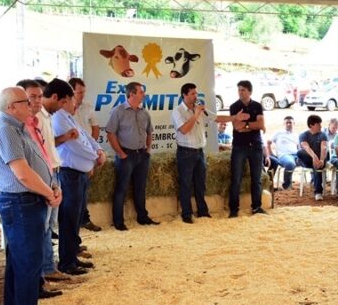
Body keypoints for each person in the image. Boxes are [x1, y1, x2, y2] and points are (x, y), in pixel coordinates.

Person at [0, 87, 62, 305]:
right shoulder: (6, 130)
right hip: (21, 202)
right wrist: (49, 193)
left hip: (28, 201)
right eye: (24, 101)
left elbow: (35, 163)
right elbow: (23, 174)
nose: (31, 104)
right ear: (11, 107)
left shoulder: (18, 127)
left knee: (21, 262)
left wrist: (52, 185)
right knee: (28, 263)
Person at [16, 80, 70, 285]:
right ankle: (42, 274)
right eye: (33, 97)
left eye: (40, 96)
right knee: (41, 230)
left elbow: (43, 154)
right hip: (34, 185)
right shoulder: (17, 127)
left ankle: (46, 270)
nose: (37, 101)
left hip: (50, 175)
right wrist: (47, 188)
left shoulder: (38, 121)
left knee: (48, 226)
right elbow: (24, 168)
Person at [172, 83, 248, 223]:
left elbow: (216, 118)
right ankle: (187, 215)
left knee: (201, 184)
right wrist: (195, 114)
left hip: (200, 152)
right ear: (184, 95)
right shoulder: (178, 111)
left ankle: (202, 211)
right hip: (186, 153)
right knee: (186, 184)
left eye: (196, 93)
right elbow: (184, 129)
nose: (196, 96)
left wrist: (234, 118)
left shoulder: (200, 109)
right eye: (193, 94)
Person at [52, 89, 105, 275]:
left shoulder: (70, 117)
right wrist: (95, 157)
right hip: (70, 174)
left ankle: (72, 256)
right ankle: (66, 262)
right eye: (74, 98)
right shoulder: (59, 118)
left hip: (79, 174)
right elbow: (74, 145)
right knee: (69, 219)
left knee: (76, 219)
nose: (76, 102)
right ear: (64, 100)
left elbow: (85, 136)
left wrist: (99, 150)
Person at [105, 82, 159, 230]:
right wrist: (120, 153)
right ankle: (118, 221)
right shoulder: (118, 111)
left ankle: (142, 217)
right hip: (126, 154)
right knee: (121, 188)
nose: (144, 94)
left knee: (141, 187)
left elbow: (149, 132)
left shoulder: (144, 112)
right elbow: (110, 133)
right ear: (132, 94)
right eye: (141, 92)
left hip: (142, 155)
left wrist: (148, 149)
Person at [229, 80, 268, 218]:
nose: (240, 92)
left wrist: (245, 125)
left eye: (243, 90)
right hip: (239, 146)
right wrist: (252, 125)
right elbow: (237, 127)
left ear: (250, 91)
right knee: (236, 179)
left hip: (256, 146)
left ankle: (256, 207)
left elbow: (261, 123)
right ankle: (234, 209)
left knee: (256, 179)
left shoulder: (257, 105)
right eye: (239, 90)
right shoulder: (234, 106)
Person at [67, 78, 101, 233]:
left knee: (84, 191)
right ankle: (76, 226)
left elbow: (95, 127)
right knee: (74, 196)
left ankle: (84, 219)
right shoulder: (65, 112)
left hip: (87, 152)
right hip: (73, 157)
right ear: (71, 92)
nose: (82, 95)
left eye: (83, 92)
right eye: (79, 92)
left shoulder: (88, 107)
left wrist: (92, 147)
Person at [297, 114, 328, 201]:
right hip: (309, 158)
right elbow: (306, 147)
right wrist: (314, 157)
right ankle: (318, 192)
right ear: (311, 125)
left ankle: (318, 192)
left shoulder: (322, 135)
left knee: (316, 165)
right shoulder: (303, 135)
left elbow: (324, 148)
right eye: (318, 124)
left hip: (320, 159)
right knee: (300, 152)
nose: (320, 126)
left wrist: (321, 159)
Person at [268, 116, 300, 190]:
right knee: (290, 163)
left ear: (294, 123)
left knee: (308, 159)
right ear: (284, 124)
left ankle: (314, 182)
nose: (289, 124)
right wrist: (271, 154)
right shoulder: (278, 133)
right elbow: (268, 143)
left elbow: (299, 146)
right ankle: (286, 185)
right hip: (284, 156)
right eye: (287, 123)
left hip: (295, 155)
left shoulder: (296, 134)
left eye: (290, 122)